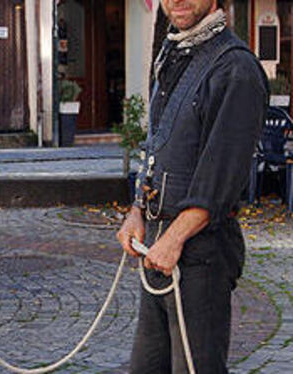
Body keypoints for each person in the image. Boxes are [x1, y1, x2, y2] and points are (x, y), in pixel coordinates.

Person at [116, 0, 268, 372]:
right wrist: (137, 208)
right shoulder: (173, 52)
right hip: (157, 240)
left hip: (201, 253)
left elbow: (222, 175)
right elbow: (157, 144)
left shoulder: (237, 69)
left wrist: (175, 238)